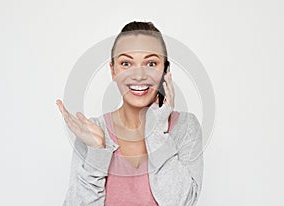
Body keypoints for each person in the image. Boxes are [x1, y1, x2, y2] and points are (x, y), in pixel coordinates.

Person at [56, 21, 203, 206]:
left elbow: (183, 202)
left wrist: (156, 131)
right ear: (113, 70)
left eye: (151, 63)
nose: (139, 75)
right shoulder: (93, 132)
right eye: (126, 63)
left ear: (166, 70)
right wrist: (97, 152)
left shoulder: (186, 127)